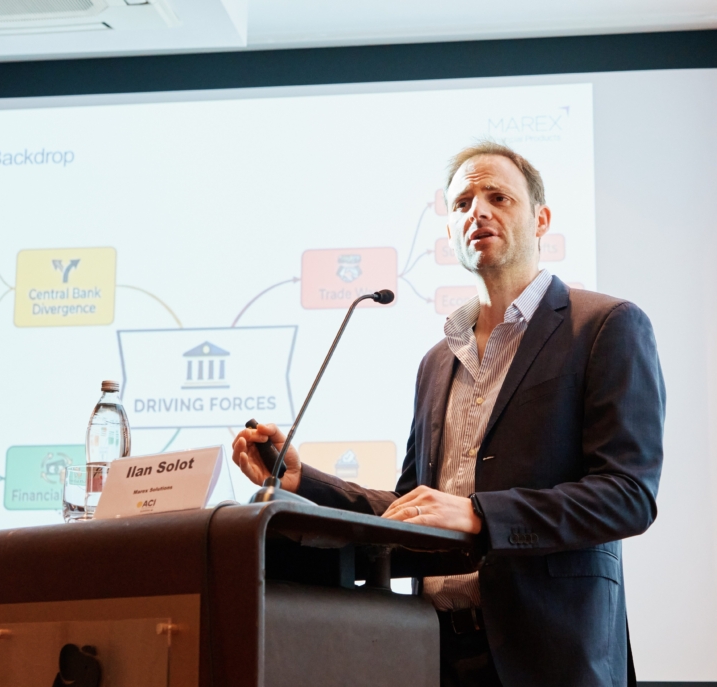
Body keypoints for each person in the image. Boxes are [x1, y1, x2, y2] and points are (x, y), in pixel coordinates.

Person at [233, 141, 666, 687]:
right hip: (432, 649)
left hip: (552, 655)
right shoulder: (437, 362)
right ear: (450, 231)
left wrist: (481, 514)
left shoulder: (605, 326)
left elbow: (628, 495)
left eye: (498, 197)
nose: (477, 211)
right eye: (462, 203)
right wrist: (304, 481)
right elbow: (410, 507)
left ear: (541, 220)